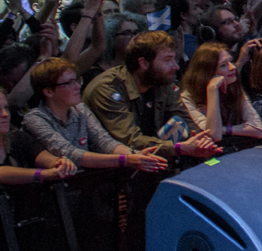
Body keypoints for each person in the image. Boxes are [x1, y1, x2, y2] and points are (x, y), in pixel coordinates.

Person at [83, 31, 222, 160]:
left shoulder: (162, 82)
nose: (176, 66)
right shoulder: (108, 88)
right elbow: (130, 140)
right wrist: (178, 148)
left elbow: (184, 120)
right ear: (143, 63)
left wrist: (201, 140)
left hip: (154, 163)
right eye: (168, 59)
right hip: (114, 172)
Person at [23, 57, 168, 172]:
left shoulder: (80, 110)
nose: (77, 86)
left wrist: (134, 154)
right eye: (69, 83)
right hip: (56, 193)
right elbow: (70, 153)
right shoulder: (35, 119)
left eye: (77, 80)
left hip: (88, 187)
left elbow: (104, 141)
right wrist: (126, 160)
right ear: (48, 91)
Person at [180, 43, 262, 148]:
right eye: (223, 65)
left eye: (231, 61)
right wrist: (212, 89)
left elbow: (258, 129)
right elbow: (214, 135)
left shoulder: (234, 87)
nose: (233, 67)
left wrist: (225, 129)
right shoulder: (188, 97)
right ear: (207, 72)